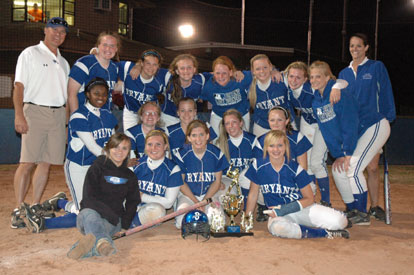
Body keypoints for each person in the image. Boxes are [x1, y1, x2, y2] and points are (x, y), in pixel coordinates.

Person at [21, 78, 118, 233]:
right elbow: (93, 147)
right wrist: (117, 159)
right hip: (78, 168)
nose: (101, 97)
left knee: (103, 206)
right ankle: (43, 223)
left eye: (104, 94)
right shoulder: (79, 116)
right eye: (96, 93)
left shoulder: (107, 115)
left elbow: (113, 142)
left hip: (97, 168)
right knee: (86, 212)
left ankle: (60, 202)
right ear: (87, 94)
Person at [310, 61, 390, 225]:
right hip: (360, 133)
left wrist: (347, 152)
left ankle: (362, 213)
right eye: (311, 77)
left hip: (373, 126)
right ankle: (352, 208)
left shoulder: (339, 93)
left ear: (327, 78)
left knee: (353, 168)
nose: (314, 80)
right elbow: (328, 132)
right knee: (340, 170)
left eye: (318, 76)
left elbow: (349, 123)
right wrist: (339, 155)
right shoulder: (316, 102)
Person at [11, 17, 70, 229]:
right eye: (54, 29)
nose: (58, 34)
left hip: (57, 114)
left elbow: (66, 94)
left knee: (46, 163)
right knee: (27, 162)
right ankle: (19, 208)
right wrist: (19, 114)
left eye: (62, 32)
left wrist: (65, 120)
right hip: (34, 110)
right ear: (45, 30)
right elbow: (19, 86)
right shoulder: (30, 53)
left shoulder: (63, 62)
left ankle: (34, 205)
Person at [244, 130, 349, 239]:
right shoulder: (258, 166)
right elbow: (253, 194)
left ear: (286, 147)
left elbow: (309, 198)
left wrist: (285, 209)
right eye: (271, 146)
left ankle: (300, 228)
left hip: (301, 209)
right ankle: (325, 233)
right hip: (279, 215)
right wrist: (247, 217)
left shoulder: (294, 167)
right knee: (277, 228)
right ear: (266, 147)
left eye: (280, 145)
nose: (276, 150)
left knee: (340, 221)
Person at [338, 33, 396, 221]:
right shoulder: (344, 73)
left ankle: (374, 206)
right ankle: (354, 206)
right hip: (355, 128)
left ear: (366, 48)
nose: (354, 49)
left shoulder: (376, 67)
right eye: (351, 46)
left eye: (358, 46)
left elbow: (385, 90)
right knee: (355, 166)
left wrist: (389, 117)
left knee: (371, 166)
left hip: (373, 123)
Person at [283, 61, 347, 206]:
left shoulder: (311, 88)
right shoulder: (287, 88)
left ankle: (326, 201)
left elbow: (342, 82)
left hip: (322, 123)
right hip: (307, 123)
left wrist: (336, 86)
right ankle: (310, 197)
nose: (294, 80)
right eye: (291, 76)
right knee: (308, 163)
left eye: (298, 78)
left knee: (316, 162)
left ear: (305, 79)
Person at [67, 133, 140, 259]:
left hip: (112, 222)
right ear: (108, 149)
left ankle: (92, 248)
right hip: (88, 217)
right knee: (89, 215)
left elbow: (133, 202)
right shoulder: (97, 168)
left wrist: (124, 225)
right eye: (115, 147)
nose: (119, 151)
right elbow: (88, 198)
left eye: (124, 148)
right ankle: (102, 243)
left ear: (128, 152)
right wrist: (108, 213)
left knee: (96, 231)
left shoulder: (130, 176)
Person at [254, 106, 312, 221]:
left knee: (310, 192)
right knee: (247, 179)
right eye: (272, 120)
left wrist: (289, 185)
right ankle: (263, 206)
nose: (275, 123)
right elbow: (261, 170)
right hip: (272, 182)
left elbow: (303, 167)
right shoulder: (262, 140)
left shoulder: (297, 137)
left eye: (279, 120)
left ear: (287, 121)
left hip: (294, 181)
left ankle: (287, 208)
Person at [173, 120, 229, 228]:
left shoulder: (216, 153)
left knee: (218, 223)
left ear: (207, 136)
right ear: (189, 138)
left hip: (209, 195)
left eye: (201, 135)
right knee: (182, 223)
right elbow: (181, 183)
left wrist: (204, 201)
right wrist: (195, 202)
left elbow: (217, 182)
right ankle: (179, 205)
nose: (198, 139)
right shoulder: (181, 154)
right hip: (188, 196)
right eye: (194, 135)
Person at [130, 130, 183, 227]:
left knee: (158, 211)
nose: (153, 148)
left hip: (150, 208)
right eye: (150, 144)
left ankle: (130, 225)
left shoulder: (173, 169)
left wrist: (141, 196)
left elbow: (168, 203)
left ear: (165, 146)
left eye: (158, 144)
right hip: (131, 205)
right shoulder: (136, 164)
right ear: (145, 146)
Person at [68, 31, 120, 113]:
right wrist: (76, 118)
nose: (108, 49)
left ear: (116, 49)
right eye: (105, 45)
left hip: (104, 118)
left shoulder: (115, 68)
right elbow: (71, 95)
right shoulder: (85, 63)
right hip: (85, 116)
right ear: (98, 46)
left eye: (112, 46)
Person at [216, 109, 257, 208]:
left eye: (234, 122)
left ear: (241, 123)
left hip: (247, 180)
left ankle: (248, 208)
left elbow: (258, 164)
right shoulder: (220, 143)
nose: (231, 126)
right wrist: (218, 182)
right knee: (227, 201)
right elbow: (215, 168)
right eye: (227, 123)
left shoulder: (252, 140)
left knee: (247, 175)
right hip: (228, 179)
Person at [200, 56, 252, 135]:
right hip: (219, 115)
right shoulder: (208, 86)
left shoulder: (241, 79)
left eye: (224, 73)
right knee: (215, 141)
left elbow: (260, 71)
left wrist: (273, 71)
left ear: (231, 72)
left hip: (241, 115)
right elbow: (192, 80)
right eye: (217, 73)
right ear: (213, 73)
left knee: (243, 140)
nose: (221, 76)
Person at [118, 49, 167, 130]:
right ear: (142, 63)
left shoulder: (162, 77)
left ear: (158, 66)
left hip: (151, 113)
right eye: (148, 63)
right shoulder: (128, 68)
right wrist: (95, 50)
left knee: (151, 139)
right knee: (131, 139)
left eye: (154, 64)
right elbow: (107, 62)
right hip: (131, 112)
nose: (151, 67)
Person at [248, 54, 294, 137]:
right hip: (262, 125)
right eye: (258, 69)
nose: (262, 71)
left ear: (270, 67)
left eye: (265, 67)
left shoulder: (282, 79)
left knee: (290, 149)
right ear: (253, 71)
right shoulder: (249, 84)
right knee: (261, 149)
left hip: (285, 123)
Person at [160, 54, 212, 127]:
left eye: (189, 68)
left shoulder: (200, 80)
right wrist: (138, 67)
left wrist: (234, 73)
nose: (186, 71)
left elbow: (217, 74)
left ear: (194, 69)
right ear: (177, 71)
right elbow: (148, 67)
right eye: (182, 68)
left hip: (190, 117)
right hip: (168, 117)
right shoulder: (168, 77)